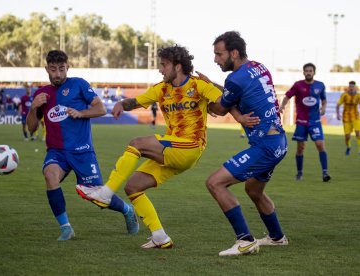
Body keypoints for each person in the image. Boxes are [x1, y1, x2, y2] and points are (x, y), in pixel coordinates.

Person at [76, 45, 259, 249]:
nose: (161, 70)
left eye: (164, 65)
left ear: (178, 66)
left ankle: (106, 193)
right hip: (172, 149)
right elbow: (135, 102)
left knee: (136, 143)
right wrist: (121, 104)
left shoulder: (198, 85)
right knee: (133, 187)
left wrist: (237, 115)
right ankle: (160, 236)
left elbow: (225, 101)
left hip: (190, 146)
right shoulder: (161, 89)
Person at [26, 50, 138, 241]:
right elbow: (31, 128)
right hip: (57, 152)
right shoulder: (41, 94)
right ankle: (66, 228)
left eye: (62, 69)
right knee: (50, 175)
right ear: (47, 69)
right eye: (53, 69)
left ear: (67, 67)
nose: (58, 74)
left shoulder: (78, 84)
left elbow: (101, 108)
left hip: (82, 151)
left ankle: (127, 210)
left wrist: (81, 113)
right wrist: (34, 107)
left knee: (96, 196)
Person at [204, 31, 288, 256]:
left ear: (234, 52)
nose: (215, 59)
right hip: (278, 140)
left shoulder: (235, 79)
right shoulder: (258, 67)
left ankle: (245, 240)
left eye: (219, 54)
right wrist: (211, 85)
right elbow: (234, 96)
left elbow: (220, 108)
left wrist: (202, 98)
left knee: (215, 183)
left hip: (265, 146)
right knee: (253, 190)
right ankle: (277, 237)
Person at [279, 63, 331, 182]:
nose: (308, 73)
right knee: (300, 148)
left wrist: (323, 108)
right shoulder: (298, 85)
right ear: (303, 72)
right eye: (306, 71)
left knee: (320, 145)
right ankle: (299, 173)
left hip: (315, 122)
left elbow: (324, 100)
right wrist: (282, 106)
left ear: (314, 72)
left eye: (310, 71)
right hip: (301, 122)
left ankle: (325, 173)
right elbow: (287, 96)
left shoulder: (320, 85)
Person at [336, 81, 360, 155]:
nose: (351, 88)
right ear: (348, 87)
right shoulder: (344, 95)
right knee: (347, 136)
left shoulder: (358, 96)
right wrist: (338, 114)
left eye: (353, 87)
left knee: (358, 134)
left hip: (355, 117)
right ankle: (348, 147)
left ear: (355, 87)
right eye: (350, 87)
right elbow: (338, 105)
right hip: (346, 118)